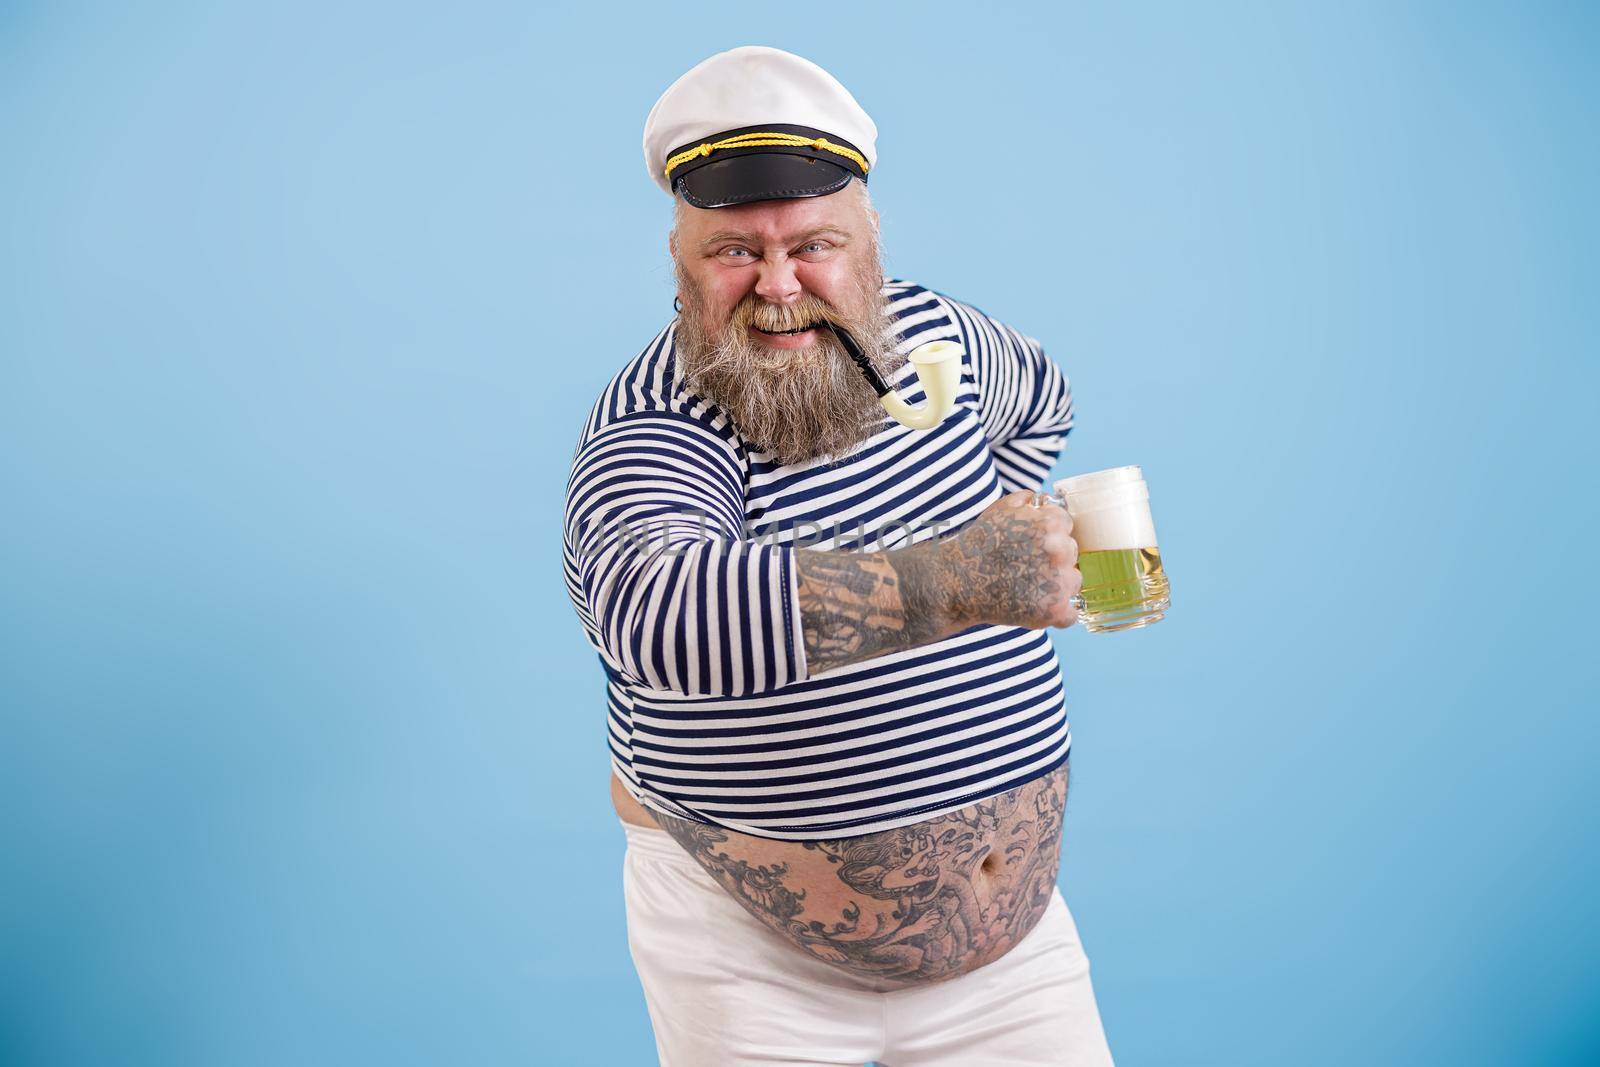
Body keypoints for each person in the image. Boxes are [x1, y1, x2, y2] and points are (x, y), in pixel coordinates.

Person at [562, 45, 1115, 1066]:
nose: (779, 286)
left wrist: (1004, 524)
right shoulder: (657, 419)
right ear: (682, 262)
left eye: (812, 244)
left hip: (1015, 961)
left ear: (868, 247)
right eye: (734, 252)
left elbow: (1043, 397)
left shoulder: (939, 341)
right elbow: (649, 609)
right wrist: (952, 580)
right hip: (753, 964)